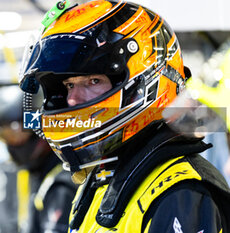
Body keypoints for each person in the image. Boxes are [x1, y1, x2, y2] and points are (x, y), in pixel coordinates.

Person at [19, 0, 230, 232]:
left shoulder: (180, 191)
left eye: (93, 81)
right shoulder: (105, 175)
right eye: (69, 85)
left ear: (142, 82)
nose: (73, 99)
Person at [0, 86, 76, 233]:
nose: (12, 144)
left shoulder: (66, 178)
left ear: (39, 128)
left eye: (16, 133)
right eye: (4, 135)